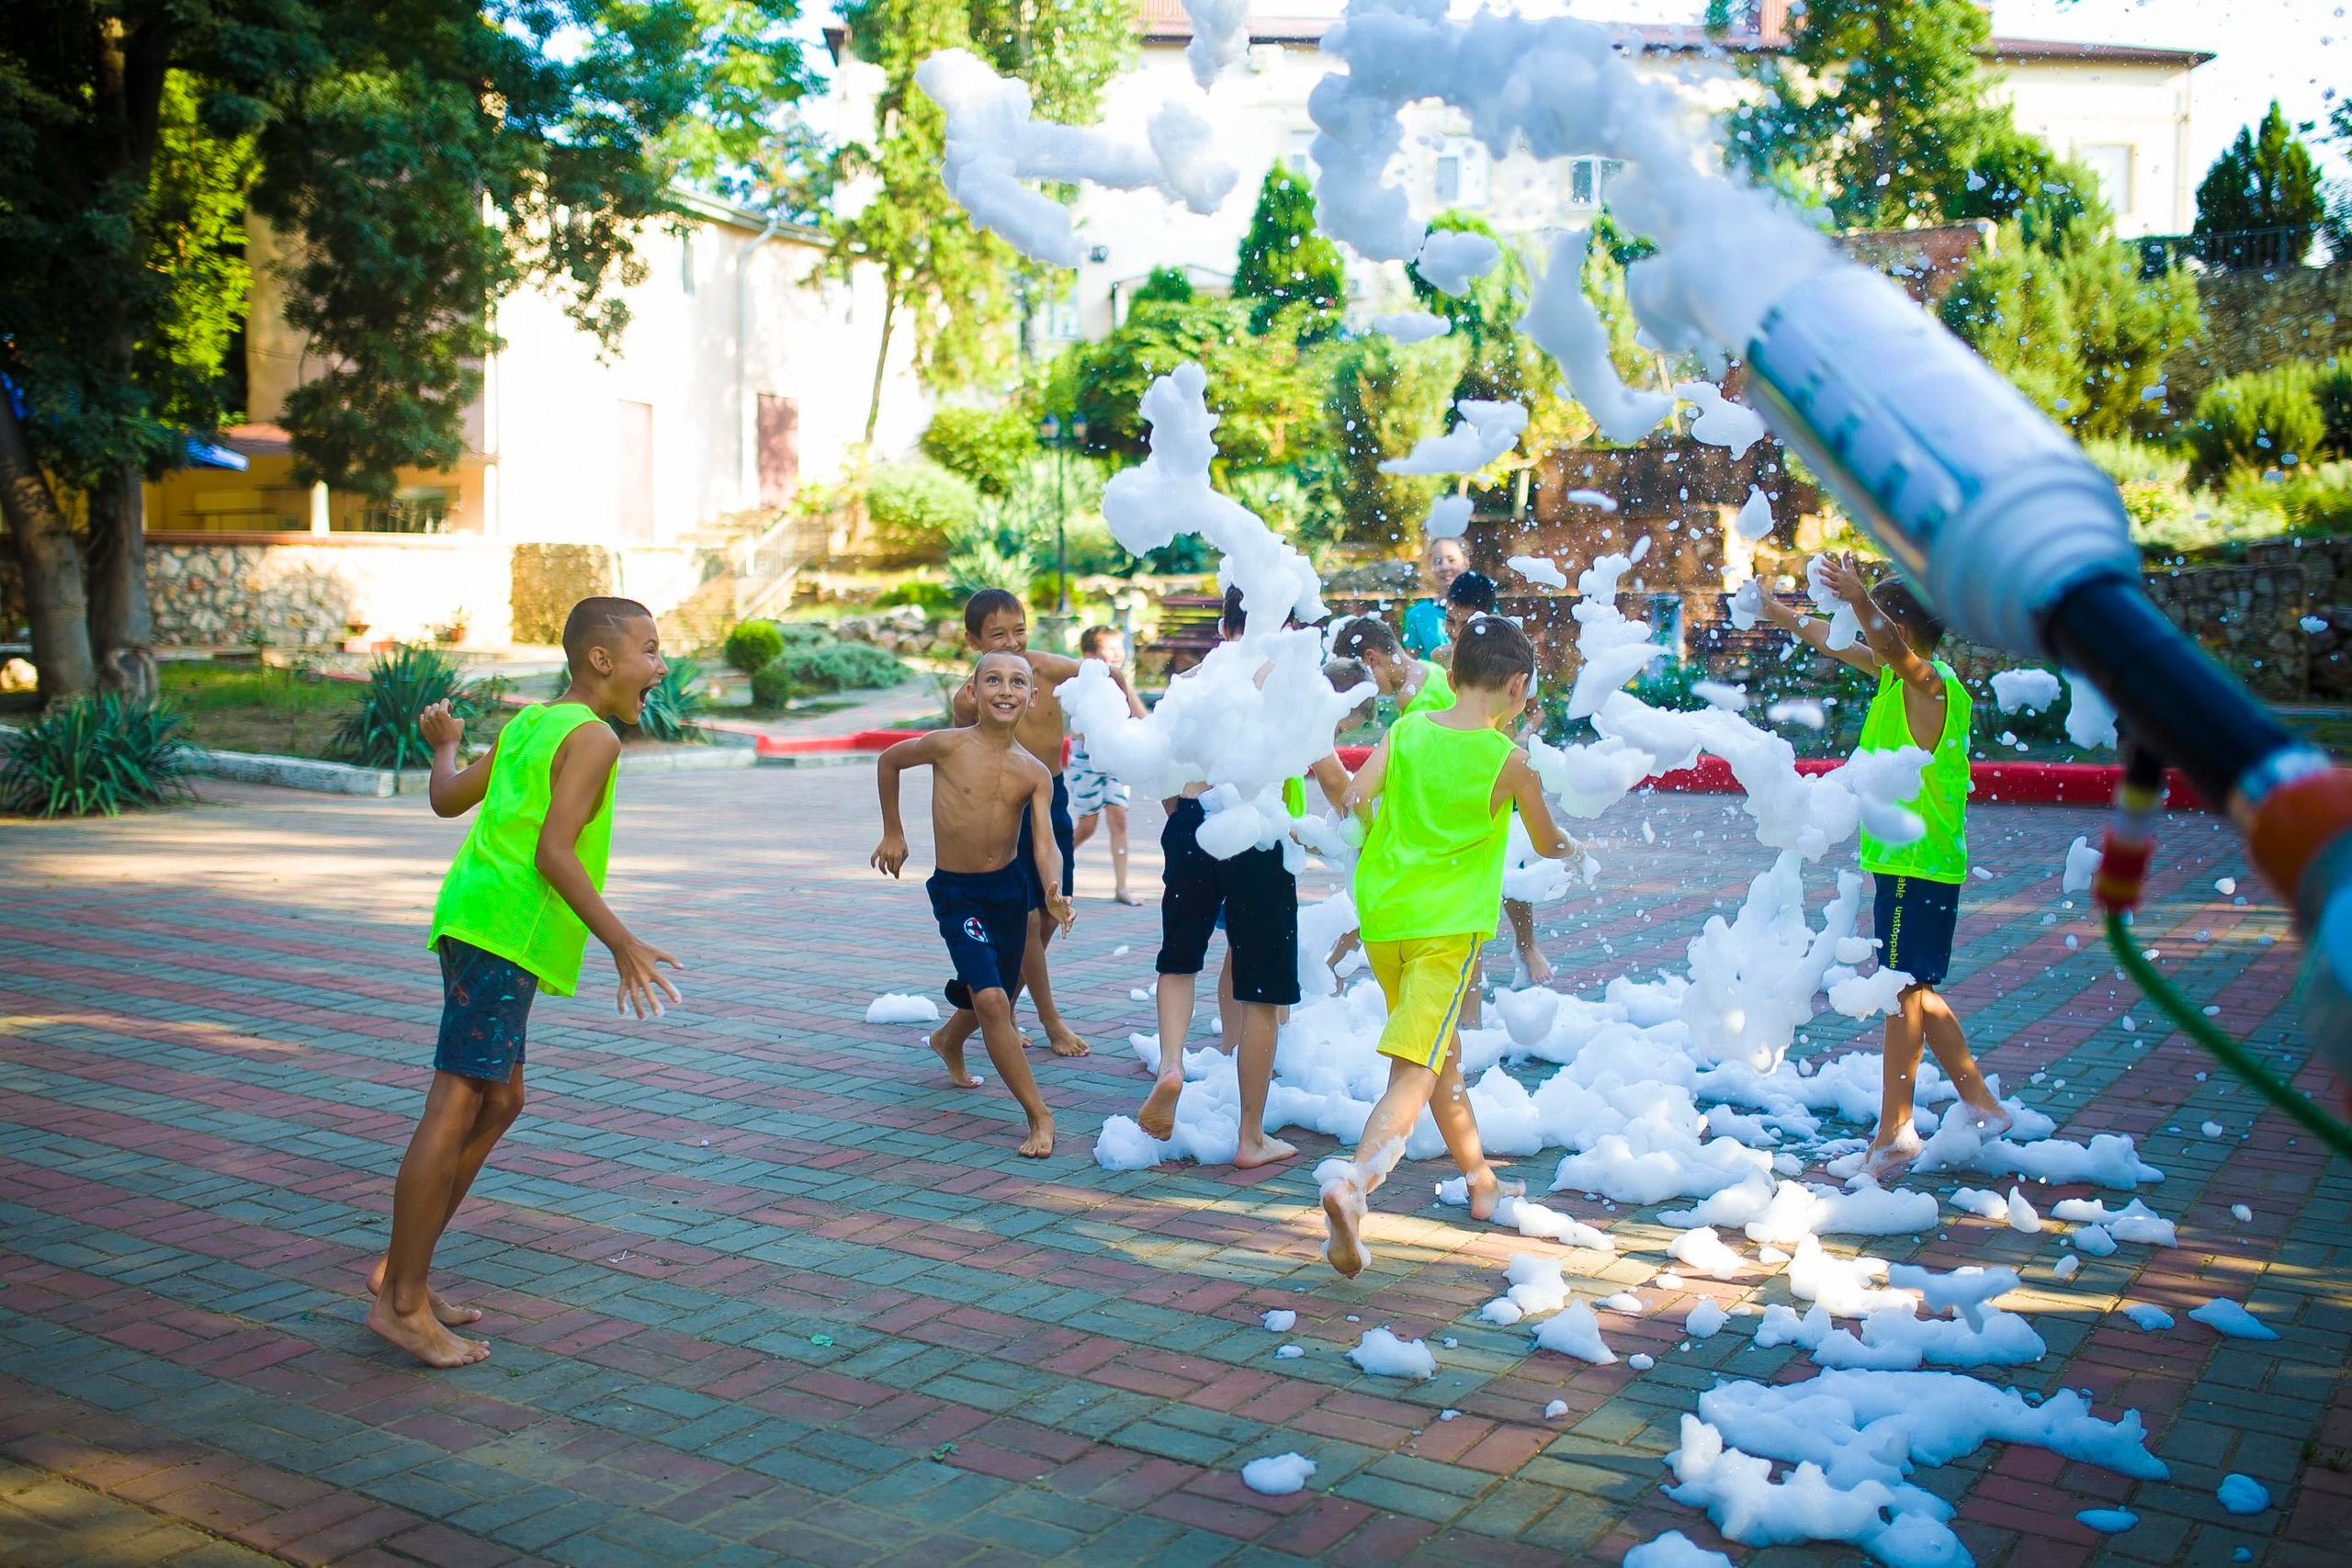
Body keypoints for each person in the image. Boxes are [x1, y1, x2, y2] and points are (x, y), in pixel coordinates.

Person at [368, 597, 684, 1367]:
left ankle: (402, 1270)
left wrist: (444, 745)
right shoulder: (593, 738)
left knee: (501, 1097)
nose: (662, 665)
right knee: (456, 1101)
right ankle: (401, 1301)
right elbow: (554, 852)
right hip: (502, 933)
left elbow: (447, 797)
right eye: (650, 649)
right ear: (602, 660)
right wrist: (623, 942)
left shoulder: (530, 723)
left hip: (476, 922)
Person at [1319, 615, 1582, 1277]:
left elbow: (1353, 797)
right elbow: (1549, 843)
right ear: (1518, 686)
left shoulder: (1406, 730)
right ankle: (1353, 1184)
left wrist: (1391, 848)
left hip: (1386, 918)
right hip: (1445, 928)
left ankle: (1480, 1180)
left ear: (1456, 670)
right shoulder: (1509, 760)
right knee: (1418, 1062)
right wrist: (1577, 852)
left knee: (1438, 1052)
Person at [1757, 555, 2011, 1180]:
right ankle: (1980, 1101)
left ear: (1895, 625)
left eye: (1867, 614)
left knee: (1902, 990)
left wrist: (1863, 599)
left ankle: (1895, 1131)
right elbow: (1839, 641)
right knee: (1913, 989)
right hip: (1905, 865)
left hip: (1920, 866)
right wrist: (1779, 612)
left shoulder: (1931, 685)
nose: (1853, 622)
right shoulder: (1895, 680)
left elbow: (1891, 644)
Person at [1136, 587, 1346, 1166]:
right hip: (1256, 831)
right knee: (1261, 992)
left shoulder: (1196, 678)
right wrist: (1362, 829)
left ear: (1226, 623)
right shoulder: (1291, 681)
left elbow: (1160, 766)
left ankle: (1173, 1064)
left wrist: (1184, 830)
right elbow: (1330, 776)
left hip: (1193, 824)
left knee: (1179, 960)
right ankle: (1251, 1136)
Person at [871, 650, 1076, 1158]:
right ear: (972, 690)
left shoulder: (1034, 772)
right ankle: (1039, 1115)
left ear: (1033, 697)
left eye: (1017, 683)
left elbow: (1045, 842)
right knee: (991, 1001)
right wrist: (894, 831)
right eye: (992, 680)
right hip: (958, 892)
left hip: (1009, 893)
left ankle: (948, 1039)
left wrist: (1053, 888)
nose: (1004, 690)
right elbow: (889, 760)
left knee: (996, 993)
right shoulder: (947, 746)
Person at [932, 589, 1133, 1058]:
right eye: (997, 635)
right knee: (1021, 920)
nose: (1013, 642)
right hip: (1005, 810)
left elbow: (1110, 674)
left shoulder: (1047, 668)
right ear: (972, 641)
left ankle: (987, 1015)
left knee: (1048, 913)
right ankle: (1049, 1020)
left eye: (1019, 630)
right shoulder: (973, 694)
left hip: (1051, 796)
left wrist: (1124, 722)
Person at [1067, 624, 1147, 906]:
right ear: (1089, 655)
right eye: (1108, 649)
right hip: (1086, 757)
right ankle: (1055, 866)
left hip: (1115, 757)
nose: (1116, 655)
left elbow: (1141, 717)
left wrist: (1125, 684)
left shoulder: (1120, 680)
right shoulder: (1081, 681)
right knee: (1087, 826)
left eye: (1119, 648)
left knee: (1118, 816)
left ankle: (1121, 886)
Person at [1333, 615, 1453, 718]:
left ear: (1371, 659)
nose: (1369, 691)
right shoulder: (1432, 669)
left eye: (1360, 680)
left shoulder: (1415, 703)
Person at [1401, 535, 1469, 659]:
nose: (1444, 567)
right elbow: (1412, 664)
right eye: (1438, 562)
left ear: (1466, 563)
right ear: (1430, 567)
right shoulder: (1417, 614)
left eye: (1451, 560)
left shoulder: (1481, 608)